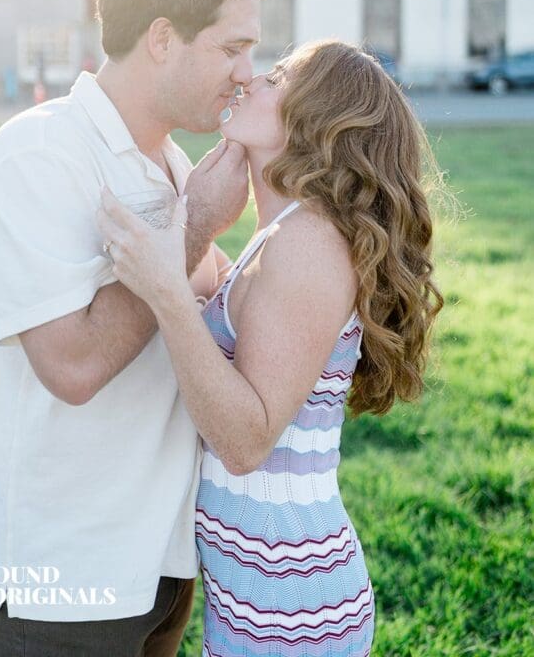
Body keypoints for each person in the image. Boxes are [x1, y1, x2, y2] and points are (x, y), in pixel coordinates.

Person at [0, 0, 271, 657]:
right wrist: (197, 225)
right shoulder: (40, 154)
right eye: (231, 47)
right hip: (56, 578)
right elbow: (72, 366)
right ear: (162, 37)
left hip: (160, 566)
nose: (247, 71)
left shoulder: (173, 163)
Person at [99, 39, 444, 657]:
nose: (253, 79)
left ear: (317, 120)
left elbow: (245, 442)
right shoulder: (280, 237)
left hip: (292, 607)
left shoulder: (307, 243)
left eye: (281, 76)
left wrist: (167, 294)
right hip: (258, 594)